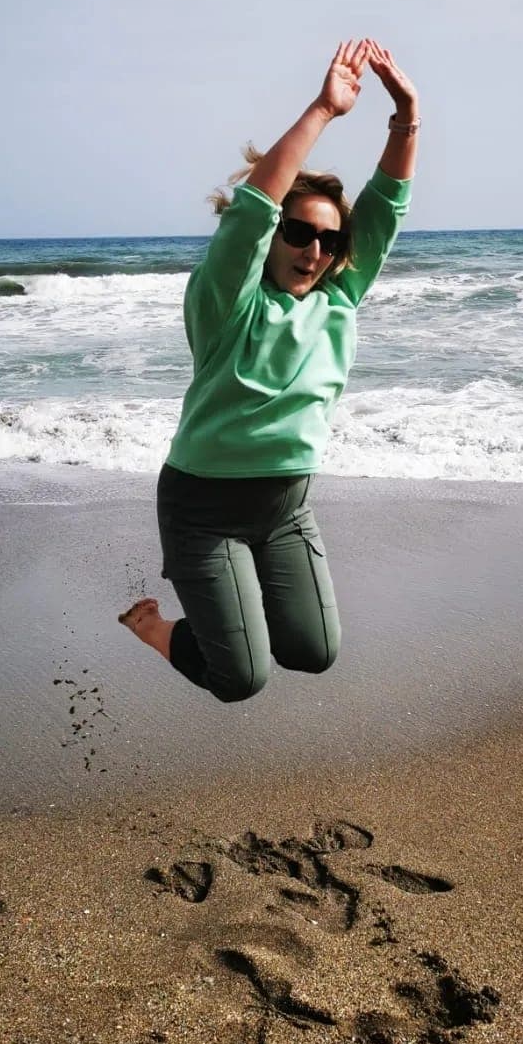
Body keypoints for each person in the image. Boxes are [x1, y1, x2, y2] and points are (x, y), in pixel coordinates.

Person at [119, 38, 419, 701]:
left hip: (285, 509)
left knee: (313, 653)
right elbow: (253, 210)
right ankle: (163, 631)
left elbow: (387, 206)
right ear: (272, 237)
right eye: (299, 233)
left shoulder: (339, 299)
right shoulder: (230, 300)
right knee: (241, 678)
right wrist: (324, 108)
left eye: (329, 240)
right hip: (202, 509)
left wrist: (406, 117)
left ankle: (236, 611)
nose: (314, 250)